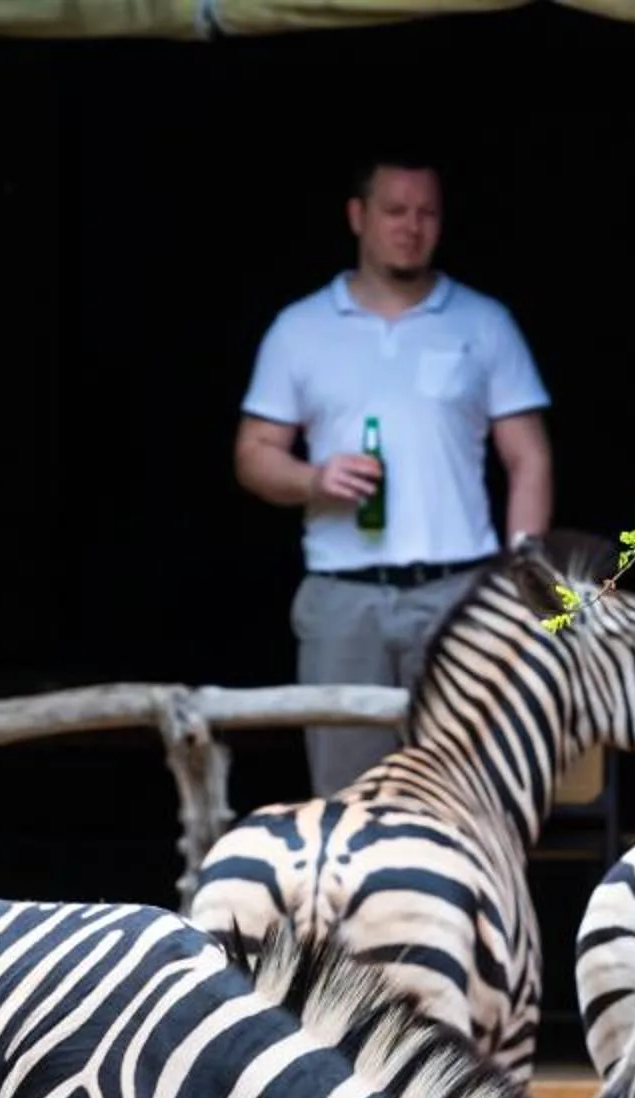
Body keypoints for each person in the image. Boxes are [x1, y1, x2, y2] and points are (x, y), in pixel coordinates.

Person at [235, 153, 554, 794]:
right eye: (394, 211)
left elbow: (530, 458)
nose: (411, 226)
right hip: (343, 597)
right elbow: (253, 453)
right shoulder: (300, 328)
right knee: (347, 797)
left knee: (468, 788)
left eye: (427, 212)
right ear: (357, 217)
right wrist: (313, 479)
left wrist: (522, 575)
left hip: (457, 591)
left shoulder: (482, 322)